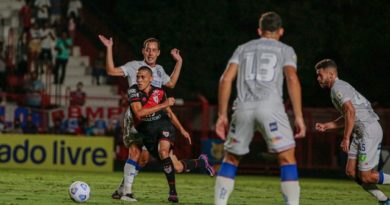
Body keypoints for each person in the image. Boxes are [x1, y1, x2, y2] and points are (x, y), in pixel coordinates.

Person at [214, 11, 306, 205]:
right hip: (271, 107)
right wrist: (298, 116)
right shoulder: (285, 50)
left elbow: (225, 79)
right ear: (281, 31)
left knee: (231, 159)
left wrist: (222, 115)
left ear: (259, 30)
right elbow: (291, 78)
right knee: (287, 158)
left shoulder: (243, 48)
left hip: (243, 107)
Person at [98, 35, 184, 201]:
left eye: (153, 50)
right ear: (143, 51)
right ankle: (127, 192)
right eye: (147, 49)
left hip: (154, 121)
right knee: (135, 151)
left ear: (158, 53)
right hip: (136, 117)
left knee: (143, 159)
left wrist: (179, 61)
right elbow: (111, 71)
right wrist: (109, 48)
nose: (150, 52)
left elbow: (171, 83)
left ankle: (122, 188)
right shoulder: (134, 66)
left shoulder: (158, 70)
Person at [128, 66, 214, 203]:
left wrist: (182, 130)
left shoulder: (159, 92)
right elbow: (139, 113)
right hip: (148, 132)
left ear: (151, 79)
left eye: (143, 77)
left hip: (163, 125)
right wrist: (163, 105)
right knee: (177, 168)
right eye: (138, 77)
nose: (139, 80)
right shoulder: (133, 91)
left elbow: (169, 113)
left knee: (163, 152)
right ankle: (201, 161)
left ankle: (173, 192)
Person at [314, 59, 390, 205]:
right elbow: (349, 115)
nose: (318, 78)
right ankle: (384, 201)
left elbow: (351, 112)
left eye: (320, 75)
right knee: (351, 172)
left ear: (331, 74)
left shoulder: (338, 88)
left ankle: (384, 201)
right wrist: (327, 125)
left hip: (368, 130)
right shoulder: (337, 88)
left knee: (367, 177)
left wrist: (346, 138)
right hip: (359, 132)